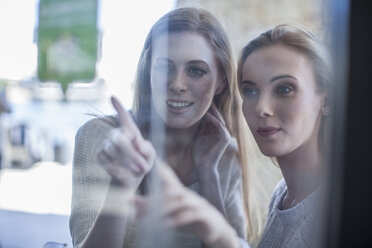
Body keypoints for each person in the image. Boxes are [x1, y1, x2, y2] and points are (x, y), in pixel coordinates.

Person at [70, 7, 252, 248]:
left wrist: (209, 173)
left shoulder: (224, 153)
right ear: (148, 72)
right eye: (165, 67)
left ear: (220, 82)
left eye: (196, 71)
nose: (177, 84)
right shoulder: (99, 137)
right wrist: (122, 184)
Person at [237, 23, 331, 247]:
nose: (261, 108)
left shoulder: (336, 212)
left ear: (326, 100)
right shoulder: (282, 194)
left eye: (284, 89)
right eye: (250, 91)